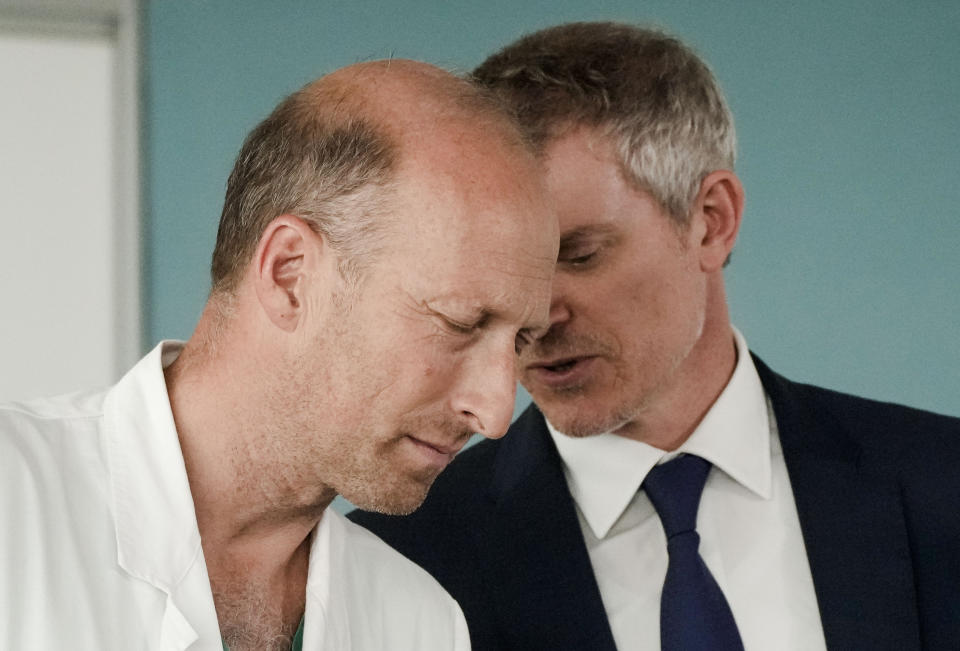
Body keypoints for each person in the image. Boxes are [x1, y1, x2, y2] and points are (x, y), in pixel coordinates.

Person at [349, 22, 960, 651]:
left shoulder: (944, 483)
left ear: (711, 221)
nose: (534, 318)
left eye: (579, 254)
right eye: (500, 271)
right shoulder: (396, 565)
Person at [0, 59, 558, 650]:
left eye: (520, 342)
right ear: (291, 275)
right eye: (458, 323)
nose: (496, 412)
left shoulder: (420, 623)